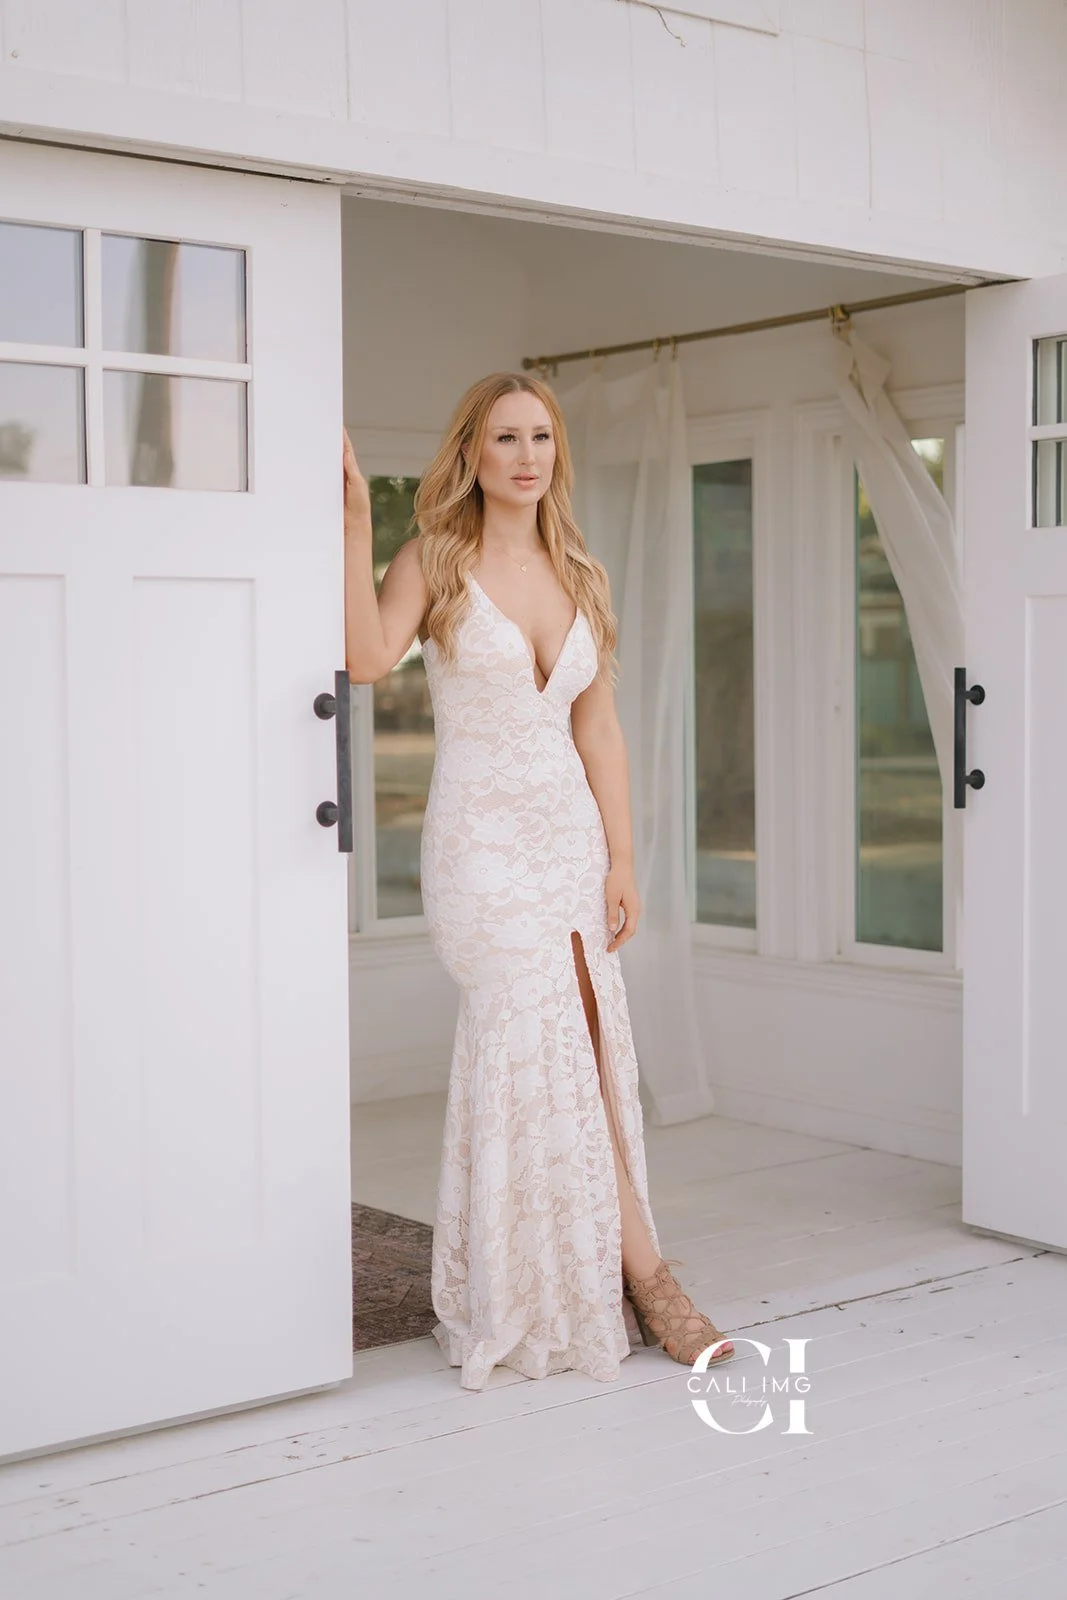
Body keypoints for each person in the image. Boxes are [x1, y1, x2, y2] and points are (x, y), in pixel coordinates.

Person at [343, 371, 734, 1390]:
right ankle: (648, 1282)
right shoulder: (433, 558)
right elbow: (367, 657)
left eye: (540, 438)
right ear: (468, 451)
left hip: (565, 841)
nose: (524, 456)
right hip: (477, 845)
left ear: (556, 454)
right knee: (541, 1041)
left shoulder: (580, 571)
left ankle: (600, 1270)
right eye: (503, 437)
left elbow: (595, 728)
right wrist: (350, 521)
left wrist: (620, 857)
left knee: (588, 1051)